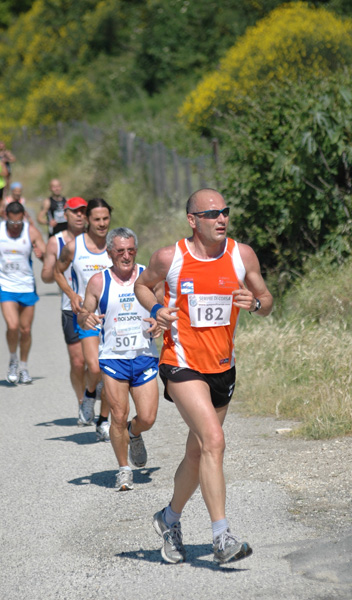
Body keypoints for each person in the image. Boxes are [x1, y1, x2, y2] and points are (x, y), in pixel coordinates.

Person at [134, 188, 273, 565]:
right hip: (181, 362)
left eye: (225, 211)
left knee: (197, 452)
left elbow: (266, 300)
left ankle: (169, 518)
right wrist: (159, 307)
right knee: (213, 440)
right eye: (211, 214)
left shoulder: (241, 255)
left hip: (222, 368)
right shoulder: (170, 257)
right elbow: (142, 285)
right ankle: (222, 536)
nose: (221, 219)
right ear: (192, 220)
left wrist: (255, 304)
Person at [78, 227, 161, 491]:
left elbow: (163, 308)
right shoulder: (98, 282)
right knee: (117, 415)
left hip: (144, 357)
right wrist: (86, 318)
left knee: (147, 418)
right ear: (110, 252)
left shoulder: (148, 276)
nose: (126, 256)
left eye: (130, 251)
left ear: (136, 251)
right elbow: (83, 314)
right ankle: (124, 469)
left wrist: (160, 323)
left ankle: (134, 433)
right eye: (120, 251)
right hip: (114, 359)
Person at [54, 198, 112, 441]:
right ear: (87, 219)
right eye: (96, 219)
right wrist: (71, 294)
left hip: (114, 319)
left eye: (105, 219)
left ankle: (104, 420)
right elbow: (57, 271)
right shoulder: (73, 246)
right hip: (86, 317)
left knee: (110, 372)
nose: (101, 224)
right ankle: (89, 394)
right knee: (95, 367)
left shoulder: (116, 245)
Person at [41, 197, 88, 406]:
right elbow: (46, 277)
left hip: (98, 309)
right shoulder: (56, 241)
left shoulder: (96, 240)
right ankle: (82, 403)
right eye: (75, 211)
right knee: (78, 362)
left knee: (96, 363)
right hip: (70, 309)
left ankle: (95, 396)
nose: (80, 215)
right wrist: (49, 265)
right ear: (65, 214)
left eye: (83, 211)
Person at [0, 201, 46, 384]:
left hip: (26, 286)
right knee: (13, 326)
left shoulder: (31, 231)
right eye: (12, 223)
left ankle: (24, 367)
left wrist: (40, 255)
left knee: (25, 330)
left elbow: (46, 256)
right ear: (6, 217)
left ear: (23, 218)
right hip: (6, 286)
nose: (15, 227)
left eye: (18, 223)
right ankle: (13, 360)